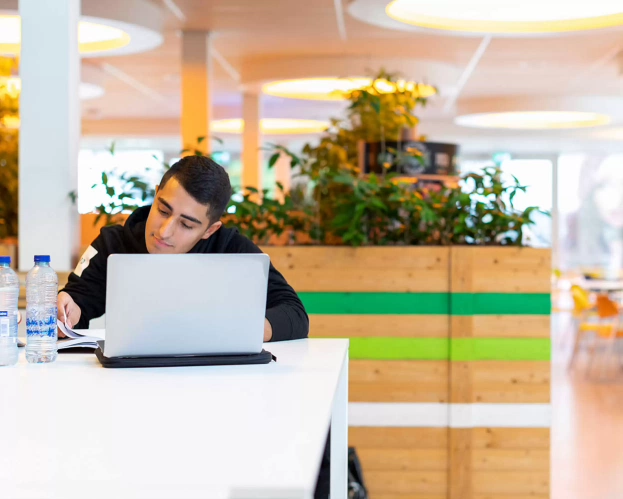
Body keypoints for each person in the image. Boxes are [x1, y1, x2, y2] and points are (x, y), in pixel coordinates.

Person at [57, 155, 309, 342]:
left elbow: (295, 315)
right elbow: (77, 301)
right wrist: (67, 310)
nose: (164, 231)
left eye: (187, 224)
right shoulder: (112, 245)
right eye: (163, 210)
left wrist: (242, 329)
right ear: (156, 195)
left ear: (209, 230)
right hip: (128, 380)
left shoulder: (233, 251)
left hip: (215, 382)